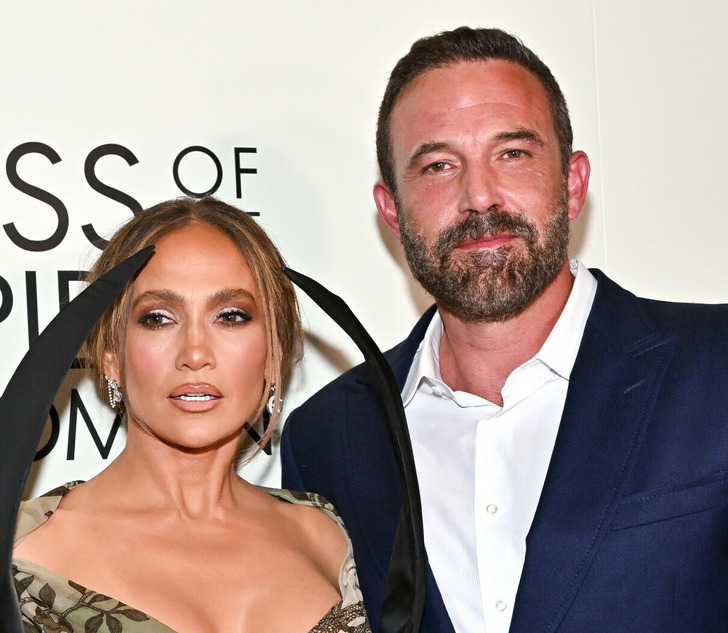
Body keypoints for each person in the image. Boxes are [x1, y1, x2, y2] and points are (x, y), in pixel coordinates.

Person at [281, 26, 728, 633]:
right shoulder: (328, 437)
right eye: (438, 166)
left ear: (572, 184)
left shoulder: (715, 366)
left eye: (513, 153)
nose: (480, 197)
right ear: (392, 211)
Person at [12, 198, 371, 633]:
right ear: (109, 356)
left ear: (273, 352)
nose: (196, 353)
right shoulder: (25, 551)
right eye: (158, 318)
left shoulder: (325, 535)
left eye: (231, 316)